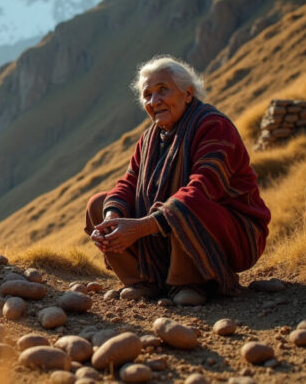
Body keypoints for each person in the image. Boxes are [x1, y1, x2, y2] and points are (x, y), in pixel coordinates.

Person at [84, 55, 270, 306]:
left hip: (231, 229)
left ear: (188, 94)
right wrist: (111, 218)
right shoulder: (150, 138)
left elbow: (204, 188)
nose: (154, 101)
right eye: (147, 95)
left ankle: (192, 281)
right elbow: (128, 183)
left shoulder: (214, 126)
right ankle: (144, 281)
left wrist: (139, 227)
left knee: (190, 204)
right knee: (99, 204)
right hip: (164, 229)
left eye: (163, 90)